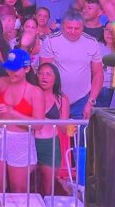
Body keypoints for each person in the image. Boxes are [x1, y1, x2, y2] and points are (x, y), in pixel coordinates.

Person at [0, 48, 44, 194]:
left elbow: (39, 124)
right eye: (9, 69)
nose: (10, 73)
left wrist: (12, 112)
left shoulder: (35, 92)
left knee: (18, 189)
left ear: (27, 69)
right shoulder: (1, 82)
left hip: (20, 140)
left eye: (15, 70)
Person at [38, 12, 102, 119]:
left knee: (80, 135)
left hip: (81, 100)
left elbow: (98, 73)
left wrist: (90, 101)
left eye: (77, 29)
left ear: (83, 27)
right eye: (69, 28)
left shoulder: (92, 42)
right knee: (57, 134)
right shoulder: (51, 40)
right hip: (56, 98)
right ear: (62, 26)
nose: (73, 32)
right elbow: (45, 72)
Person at [34, 63, 69, 196]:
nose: (44, 77)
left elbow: (64, 128)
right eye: (41, 73)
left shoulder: (62, 99)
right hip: (30, 142)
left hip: (50, 145)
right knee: (26, 184)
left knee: (47, 188)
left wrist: (70, 127)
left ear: (56, 78)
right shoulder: (31, 93)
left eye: (48, 74)